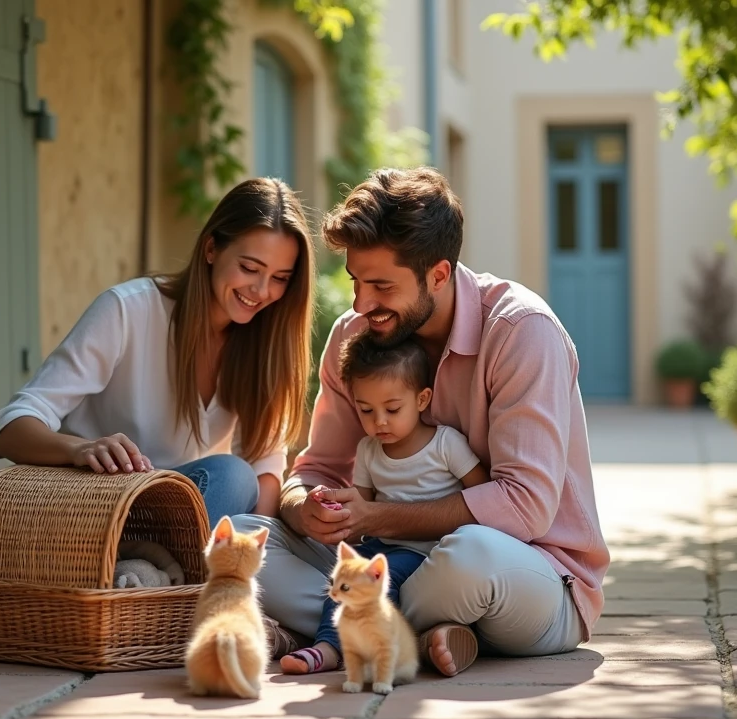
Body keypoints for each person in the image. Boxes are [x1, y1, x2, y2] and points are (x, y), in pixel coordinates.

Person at [232, 165, 610, 678]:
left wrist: (375, 518)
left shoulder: (522, 332)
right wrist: (307, 509)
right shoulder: (353, 336)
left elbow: (526, 509)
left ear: (438, 274)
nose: (362, 304)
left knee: (469, 557)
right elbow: (316, 469)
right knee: (247, 539)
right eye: (356, 283)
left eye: (382, 286)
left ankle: (345, 631)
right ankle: (427, 632)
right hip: (388, 561)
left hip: (529, 573)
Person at [0, 178, 315, 523]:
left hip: (171, 515)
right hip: (95, 507)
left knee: (236, 480)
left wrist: (257, 552)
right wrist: (80, 449)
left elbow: (265, 469)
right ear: (211, 249)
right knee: (234, 476)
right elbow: (7, 429)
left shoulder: (264, 344)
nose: (262, 291)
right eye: (250, 268)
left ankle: (160, 568)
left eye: (280, 278)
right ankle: (159, 566)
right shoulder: (127, 310)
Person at [280, 329, 491, 675]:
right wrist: (329, 507)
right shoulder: (368, 450)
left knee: (380, 582)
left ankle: (359, 649)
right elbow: (361, 506)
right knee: (341, 579)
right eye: (366, 410)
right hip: (382, 546)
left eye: (392, 409)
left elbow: (481, 494)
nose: (379, 421)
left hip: (430, 552)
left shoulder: (445, 444)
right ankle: (333, 645)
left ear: (422, 400)